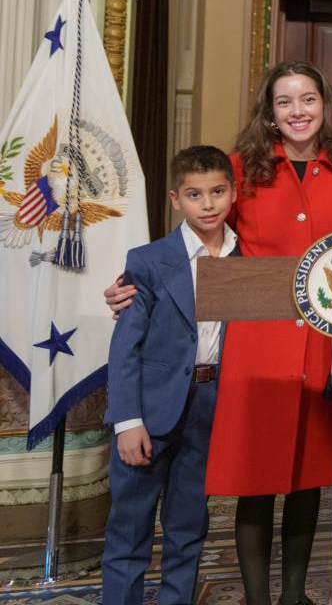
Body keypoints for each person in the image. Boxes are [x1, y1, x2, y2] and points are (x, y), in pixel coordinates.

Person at [106, 62, 332, 605]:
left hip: (321, 340)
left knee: (308, 475)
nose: (297, 112)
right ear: (269, 110)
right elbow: (200, 235)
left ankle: (294, 595)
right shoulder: (242, 169)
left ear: (324, 104)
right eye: (284, 102)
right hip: (255, 342)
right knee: (258, 473)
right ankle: (258, 598)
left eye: (307, 99)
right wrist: (132, 287)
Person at [101, 146, 238, 605]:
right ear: (177, 199)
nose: (208, 204)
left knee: (188, 523)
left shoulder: (247, 262)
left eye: (218, 192)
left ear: (233, 194)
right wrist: (127, 420)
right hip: (150, 409)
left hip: (210, 405)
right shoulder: (149, 260)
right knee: (131, 526)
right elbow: (126, 349)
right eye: (196, 194)